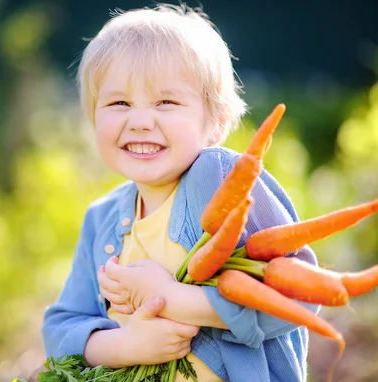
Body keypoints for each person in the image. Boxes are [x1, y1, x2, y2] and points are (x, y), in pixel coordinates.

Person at [41, 3, 319, 381]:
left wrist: (173, 299)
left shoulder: (218, 178)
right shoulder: (101, 217)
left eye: (166, 102)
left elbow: (299, 293)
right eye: (118, 103)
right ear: (94, 117)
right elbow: (59, 328)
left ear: (216, 121)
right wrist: (123, 347)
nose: (139, 122)